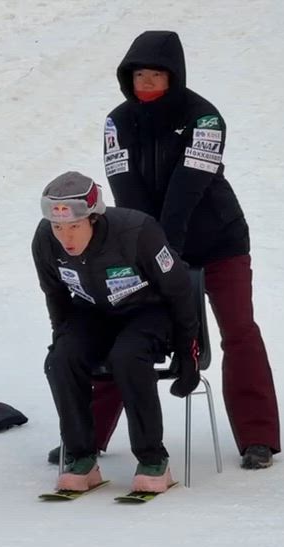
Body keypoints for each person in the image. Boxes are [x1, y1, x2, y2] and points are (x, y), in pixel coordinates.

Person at [75, 29, 281, 471]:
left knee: (239, 331)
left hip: (219, 241)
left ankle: (258, 438)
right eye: (138, 75)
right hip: (147, 244)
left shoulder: (205, 118)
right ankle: (87, 437)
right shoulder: (117, 122)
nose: (146, 84)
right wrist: (149, 252)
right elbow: (125, 190)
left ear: (176, 77)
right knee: (121, 325)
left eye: (156, 75)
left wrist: (165, 250)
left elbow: (187, 191)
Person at [34, 171, 199, 493]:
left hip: (148, 311)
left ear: (93, 219)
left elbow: (180, 291)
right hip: (92, 312)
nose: (65, 238)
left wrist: (188, 353)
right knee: (60, 360)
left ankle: (153, 458)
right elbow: (55, 294)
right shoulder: (44, 240)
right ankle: (81, 456)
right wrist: (63, 341)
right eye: (58, 227)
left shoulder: (138, 231)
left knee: (128, 357)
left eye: (74, 227)